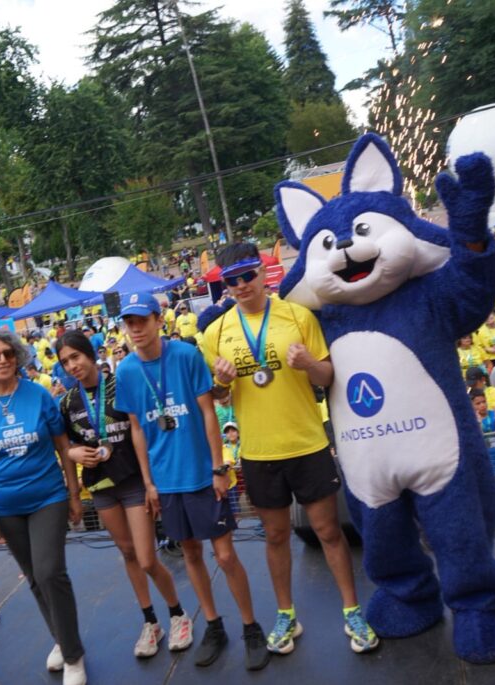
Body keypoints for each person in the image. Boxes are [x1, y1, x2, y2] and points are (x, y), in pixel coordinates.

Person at [200, 244, 376, 658]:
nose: (242, 286)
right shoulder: (215, 333)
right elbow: (220, 396)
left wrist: (308, 366)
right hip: (259, 452)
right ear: (224, 285)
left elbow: (327, 375)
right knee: (276, 536)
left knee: (330, 532)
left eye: (248, 275)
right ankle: (285, 614)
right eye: (232, 280)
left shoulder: (298, 316)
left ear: (264, 273)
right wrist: (222, 383)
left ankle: (352, 610)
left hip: (307, 443)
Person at [115, 292, 270, 672]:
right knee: (190, 553)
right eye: (129, 322)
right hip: (165, 482)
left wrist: (218, 467)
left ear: (157, 320)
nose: (135, 329)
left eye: (141, 320)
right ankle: (214, 626)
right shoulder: (126, 371)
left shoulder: (184, 356)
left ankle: (251, 627)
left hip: (202, 474)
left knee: (226, 555)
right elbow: (137, 429)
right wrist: (149, 483)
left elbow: (207, 411)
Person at [0, 328, 87, 685]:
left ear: (17, 355)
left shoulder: (39, 395)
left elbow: (63, 447)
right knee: (33, 577)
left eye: (7, 353)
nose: (2, 360)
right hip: (3, 506)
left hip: (48, 497)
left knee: (50, 572)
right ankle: (62, 639)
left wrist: (74, 495)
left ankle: (74, 655)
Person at [56, 330, 190, 659]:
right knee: (128, 554)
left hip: (132, 481)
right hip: (101, 486)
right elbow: (66, 445)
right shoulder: (68, 402)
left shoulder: (122, 383)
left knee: (146, 557)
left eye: (76, 357)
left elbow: (140, 429)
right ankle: (150, 622)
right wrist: (73, 454)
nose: (72, 366)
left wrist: (149, 482)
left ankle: (178, 614)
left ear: (91, 354)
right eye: (65, 362)